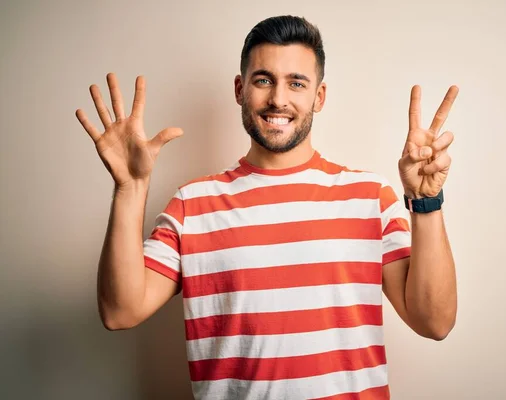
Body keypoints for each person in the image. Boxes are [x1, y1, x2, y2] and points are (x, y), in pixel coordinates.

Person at [76, 15, 458, 400]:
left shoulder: (370, 196)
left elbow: (435, 322)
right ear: (240, 89)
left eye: (296, 82)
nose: (278, 98)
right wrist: (130, 188)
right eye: (263, 80)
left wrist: (425, 202)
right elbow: (119, 312)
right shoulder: (192, 205)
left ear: (319, 96)